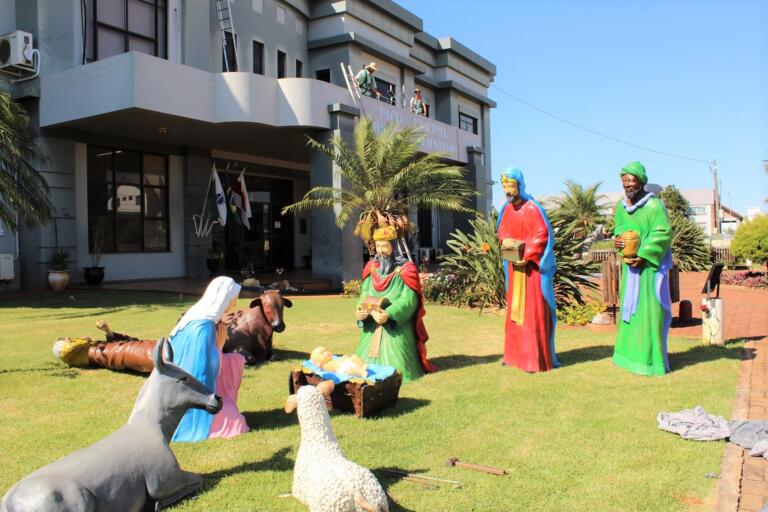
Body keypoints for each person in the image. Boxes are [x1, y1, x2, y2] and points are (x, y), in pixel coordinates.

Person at [612, 161, 673, 376]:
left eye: (631, 180)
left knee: (648, 313)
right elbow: (618, 229)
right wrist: (618, 241)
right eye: (624, 181)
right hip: (630, 269)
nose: (627, 185)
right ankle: (627, 356)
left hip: (648, 270)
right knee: (629, 312)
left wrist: (644, 254)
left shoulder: (653, 205)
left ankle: (649, 361)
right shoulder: (621, 207)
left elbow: (662, 233)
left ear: (641, 181)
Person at [169, 276, 246, 442]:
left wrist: (218, 347)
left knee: (236, 360)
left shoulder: (203, 320)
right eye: (233, 298)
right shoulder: (202, 328)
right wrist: (219, 346)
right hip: (194, 402)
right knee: (237, 422)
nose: (235, 303)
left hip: (197, 386)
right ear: (224, 298)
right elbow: (200, 372)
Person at [354, 226, 436, 382]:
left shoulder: (406, 269)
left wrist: (389, 314)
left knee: (397, 361)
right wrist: (360, 311)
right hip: (371, 323)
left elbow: (409, 299)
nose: (381, 250)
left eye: (385, 245)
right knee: (361, 363)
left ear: (394, 246)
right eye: (378, 246)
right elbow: (365, 293)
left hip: (396, 325)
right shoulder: (371, 268)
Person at [496, 167, 558, 372]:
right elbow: (502, 230)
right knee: (515, 314)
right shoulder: (506, 210)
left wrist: (527, 254)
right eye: (505, 186)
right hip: (515, 269)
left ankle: (533, 359)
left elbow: (542, 235)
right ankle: (514, 356)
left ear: (520, 186)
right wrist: (506, 243)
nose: (508, 191)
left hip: (531, 272)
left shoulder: (532, 208)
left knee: (531, 312)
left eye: (511, 186)